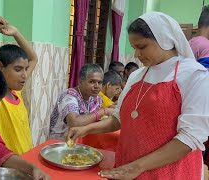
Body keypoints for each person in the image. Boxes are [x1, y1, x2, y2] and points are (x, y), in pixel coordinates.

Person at [68, 12, 209, 179]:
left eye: (142, 47)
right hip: (129, 165)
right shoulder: (137, 76)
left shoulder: (193, 75)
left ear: (164, 39)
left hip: (168, 171)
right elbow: (118, 120)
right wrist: (85, 129)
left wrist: (138, 166)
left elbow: (189, 138)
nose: (136, 55)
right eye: (134, 48)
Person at [0, 16, 37, 155]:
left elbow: (33, 59)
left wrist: (16, 33)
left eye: (25, 69)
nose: (24, 75)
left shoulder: (16, 93)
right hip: (2, 169)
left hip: (25, 164)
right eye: (18, 69)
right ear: (0, 67)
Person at [49, 64, 114, 141]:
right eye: (92, 82)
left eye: (99, 82)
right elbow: (74, 123)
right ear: (80, 81)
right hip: (61, 143)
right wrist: (103, 111)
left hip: (82, 140)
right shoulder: (69, 96)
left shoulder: (95, 97)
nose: (96, 86)